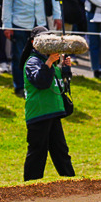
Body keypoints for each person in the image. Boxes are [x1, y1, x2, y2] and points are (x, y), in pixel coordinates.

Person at [2, 0, 61, 96]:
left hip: (39, 23)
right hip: (20, 23)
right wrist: (6, 25)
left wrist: (57, 15)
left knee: (41, 56)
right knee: (19, 57)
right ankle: (20, 86)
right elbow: (7, 2)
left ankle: (40, 82)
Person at [22, 26, 77, 181]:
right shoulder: (32, 61)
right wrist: (49, 62)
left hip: (53, 111)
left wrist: (65, 70)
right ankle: (31, 185)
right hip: (39, 113)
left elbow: (60, 86)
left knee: (61, 151)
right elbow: (41, 82)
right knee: (37, 153)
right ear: (34, 42)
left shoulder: (51, 62)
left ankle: (71, 182)